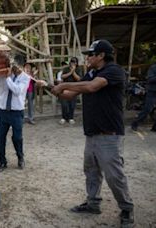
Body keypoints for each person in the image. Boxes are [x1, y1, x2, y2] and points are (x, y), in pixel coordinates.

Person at [51, 39, 134, 228]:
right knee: (91, 171)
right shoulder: (91, 72)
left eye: (91, 54)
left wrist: (64, 85)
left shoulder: (114, 71)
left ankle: (127, 208)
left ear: (101, 55)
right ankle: (93, 203)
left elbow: (90, 87)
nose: (87, 57)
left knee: (114, 175)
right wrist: (52, 88)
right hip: (92, 133)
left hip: (109, 134)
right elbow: (70, 95)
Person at [0, 54, 30, 172]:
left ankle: (20, 157)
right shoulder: (4, 75)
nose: (13, 68)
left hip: (17, 112)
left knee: (17, 137)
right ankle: (2, 162)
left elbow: (17, 91)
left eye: (16, 66)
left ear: (22, 66)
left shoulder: (26, 78)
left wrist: (7, 78)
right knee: (0, 137)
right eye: (12, 65)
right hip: (3, 112)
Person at [59, 57, 82, 125]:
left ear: (76, 63)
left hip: (74, 89)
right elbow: (62, 77)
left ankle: (71, 118)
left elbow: (78, 79)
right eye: (72, 61)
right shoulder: (66, 68)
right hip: (65, 88)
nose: (73, 63)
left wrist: (73, 71)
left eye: (74, 62)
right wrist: (70, 72)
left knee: (72, 104)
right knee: (64, 104)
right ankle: (64, 117)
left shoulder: (78, 69)